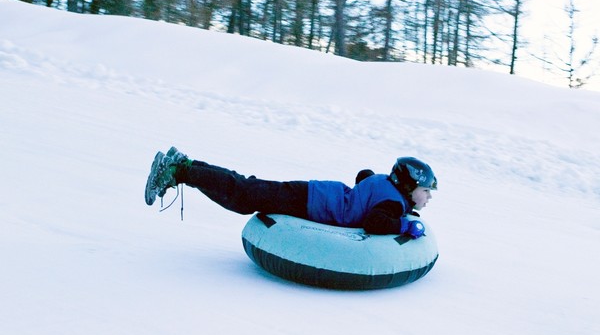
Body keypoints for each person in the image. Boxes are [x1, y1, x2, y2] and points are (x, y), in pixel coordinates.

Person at [144, 147, 437, 237]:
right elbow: (376, 222)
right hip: (309, 202)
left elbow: (364, 176)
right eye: (426, 191)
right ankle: (179, 170)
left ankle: (185, 165)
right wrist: (404, 225)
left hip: (312, 192)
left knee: (248, 187)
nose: (428, 198)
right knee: (244, 195)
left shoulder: (383, 183)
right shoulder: (394, 204)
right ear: (409, 186)